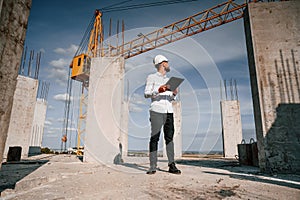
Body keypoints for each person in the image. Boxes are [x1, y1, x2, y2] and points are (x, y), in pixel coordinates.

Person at [144, 54, 181, 175]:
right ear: (162, 63)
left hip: (168, 111)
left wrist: (174, 93)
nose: (168, 64)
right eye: (167, 62)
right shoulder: (151, 77)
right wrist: (159, 90)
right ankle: (152, 165)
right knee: (155, 138)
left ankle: (172, 165)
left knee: (169, 139)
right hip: (156, 110)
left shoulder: (169, 80)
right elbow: (147, 93)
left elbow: (170, 98)